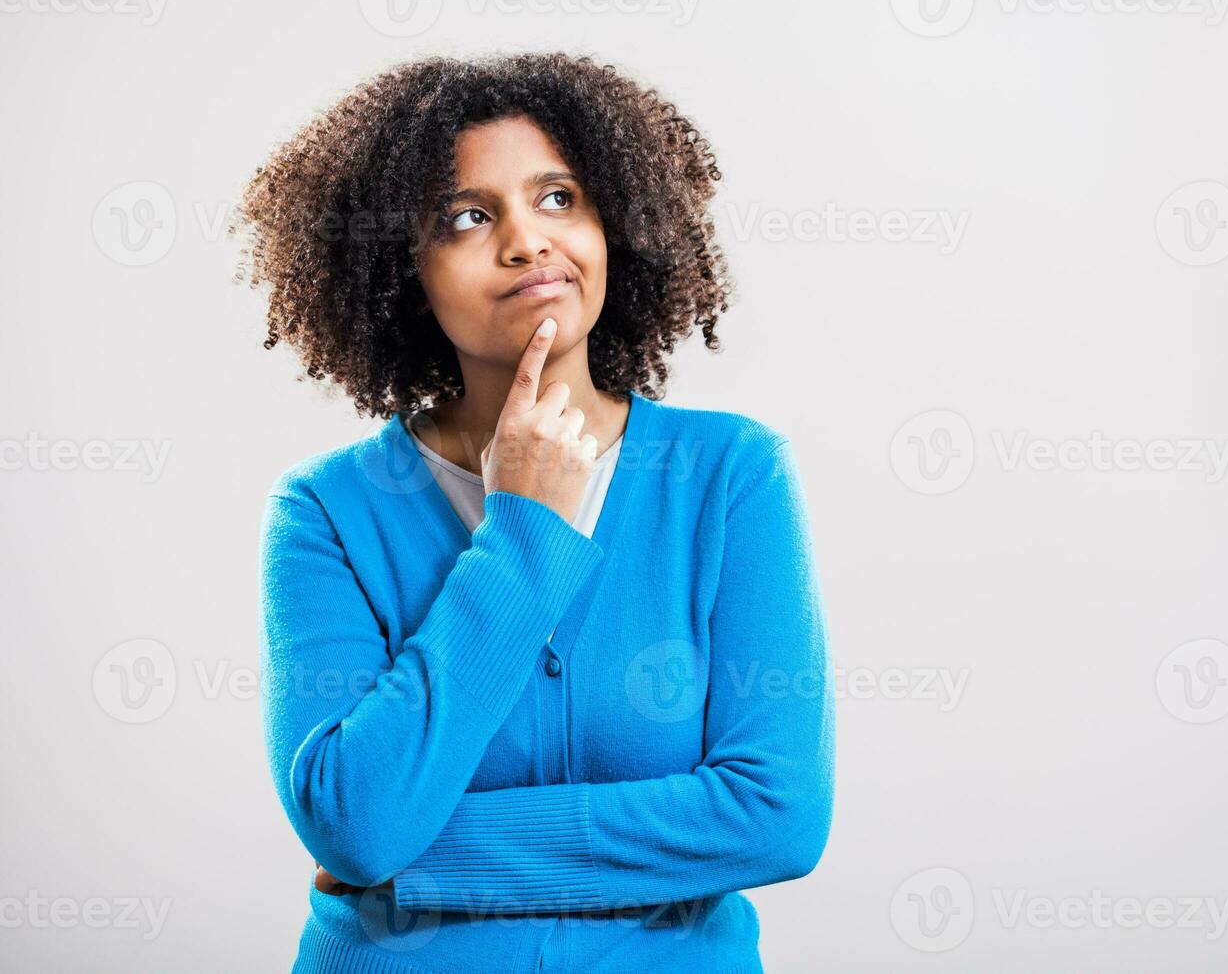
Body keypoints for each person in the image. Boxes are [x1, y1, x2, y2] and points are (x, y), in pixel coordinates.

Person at [237, 50, 835, 974]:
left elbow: (775, 816)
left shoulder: (728, 473)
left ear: (613, 227)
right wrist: (524, 532)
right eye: (468, 217)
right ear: (402, 271)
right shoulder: (327, 512)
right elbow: (357, 817)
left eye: (558, 198)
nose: (527, 241)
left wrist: (413, 866)